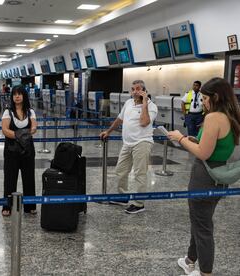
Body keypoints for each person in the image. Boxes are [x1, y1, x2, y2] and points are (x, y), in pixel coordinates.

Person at [168, 77, 240, 276]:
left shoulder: (214, 117)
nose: (203, 102)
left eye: (206, 98)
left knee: (202, 227)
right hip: (218, 175)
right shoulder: (231, 116)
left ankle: (205, 273)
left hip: (204, 177)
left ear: (215, 97)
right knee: (199, 220)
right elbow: (214, 146)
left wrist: (181, 138)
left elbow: (203, 153)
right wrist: (193, 139)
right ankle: (190, 260)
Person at [99, 80, 158, 214]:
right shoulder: (128, 103)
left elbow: (144, 122)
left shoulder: (151, 106)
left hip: (142, 143)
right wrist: (108, 131)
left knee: (139, 173)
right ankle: (122, 197)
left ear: (144, 91)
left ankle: (139, 204)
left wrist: (144, 103)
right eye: (133, 89)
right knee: (121, 170)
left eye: (138, 89)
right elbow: (120, 119)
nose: (135, 91)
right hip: (127, 143)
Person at [1, 85, 38, 216]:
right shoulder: (8, 112)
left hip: (28, 150)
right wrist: (21, 135)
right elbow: (5, 130)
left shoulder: (30, 112)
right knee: (10, 178)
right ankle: (7, 206)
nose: (17, 96)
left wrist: (19, 134)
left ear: (24, 96)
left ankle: (30, 206)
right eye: (14, 94)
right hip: (11, 150)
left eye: (19, 94)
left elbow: (34, 127)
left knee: (29, 178)